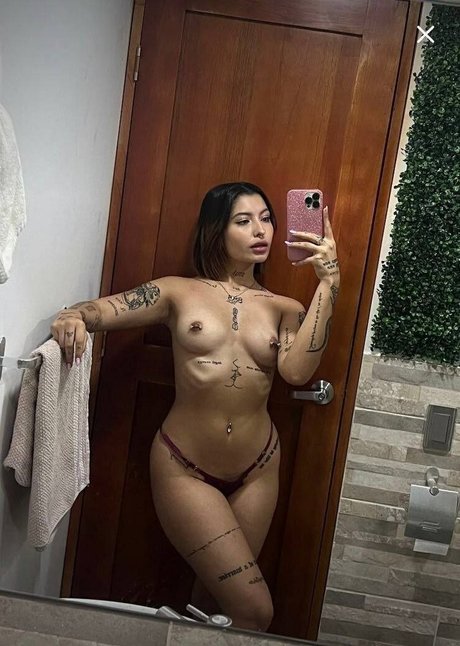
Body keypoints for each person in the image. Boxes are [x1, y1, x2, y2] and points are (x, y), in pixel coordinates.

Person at [51, 182, 339, 631]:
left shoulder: (286, 307)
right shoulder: (177, 292)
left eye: (267, 218)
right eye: (243, 221)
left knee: (217, 606)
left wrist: (328, 283)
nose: (260, 230)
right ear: (215, 230)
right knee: (253, 610)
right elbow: (103, 311)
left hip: (259, 470)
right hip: (184, 466)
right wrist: (73, 315)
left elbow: (298, 372)